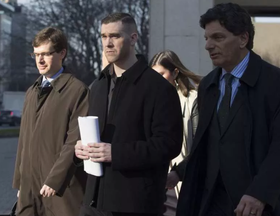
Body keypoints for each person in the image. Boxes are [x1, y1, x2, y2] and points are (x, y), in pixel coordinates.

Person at [176, 3, 280, 216]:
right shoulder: (208, 85)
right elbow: (206, 143)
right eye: (206, 38)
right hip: (211, 203)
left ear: (243, 39)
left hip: (256, 205)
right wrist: (178, 173)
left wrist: (260, 193)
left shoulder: (279, 84)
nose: (208, 46)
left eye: (218, 37)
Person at [74, 12, 183, 216]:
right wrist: (80, 149)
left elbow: (169, 144)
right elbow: (95, 136)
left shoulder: (158, 88)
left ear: (133, 38)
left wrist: (116, 153)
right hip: (93, 202)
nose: (107, 43)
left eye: (114, 36)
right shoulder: (97, 86)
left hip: (135, 204)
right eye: (103, 36)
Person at [12, 27, 89, 216]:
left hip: (61, 189)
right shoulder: (32, 91)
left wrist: (55, 180)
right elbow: (23, 142)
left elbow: (75, 141)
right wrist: (20, 183)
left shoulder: (77, 90)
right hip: (30, 190)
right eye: (36, 54)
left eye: (46, 54)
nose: (40, 60)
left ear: (62, 53)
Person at [150, 50, 201, 215]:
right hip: (158, 181)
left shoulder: (192, 100)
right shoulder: (151, 102)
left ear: (175, 72)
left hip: (181, 181)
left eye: (161, 74)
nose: (156, 80)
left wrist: (179, 173)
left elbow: (198, 146)